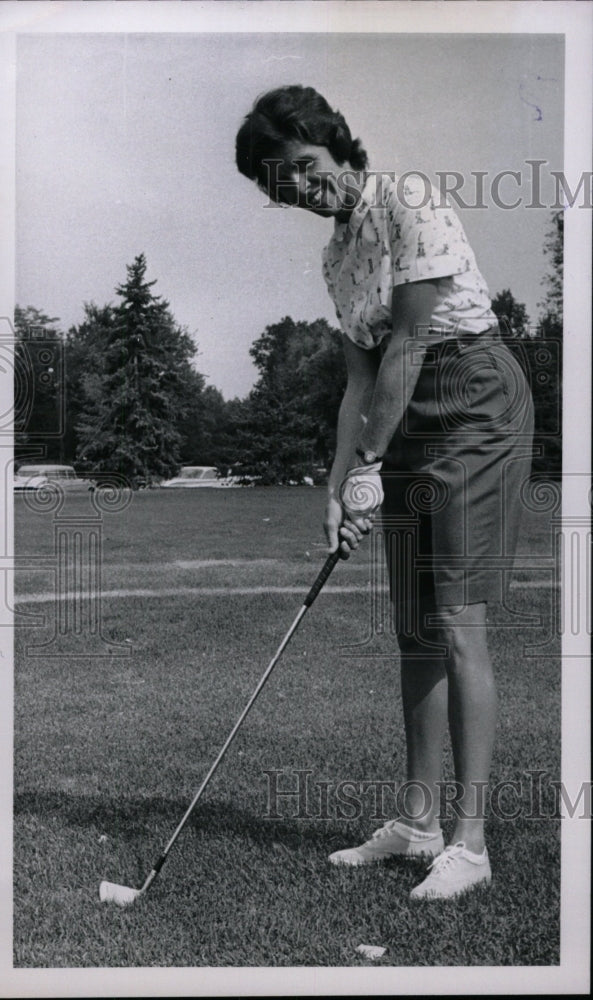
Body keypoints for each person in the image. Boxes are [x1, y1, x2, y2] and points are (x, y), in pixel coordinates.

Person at [235, 85, 534, 900]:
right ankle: (417, 822)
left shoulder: (407, 199)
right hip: (401, 415)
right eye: (279, 183)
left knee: (457, 618)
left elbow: (408, 341)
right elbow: (356, 380)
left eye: (302, 165)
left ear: (332, 145)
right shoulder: (335, 257)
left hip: (471, 396)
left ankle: (468, 845)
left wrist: (370, 461)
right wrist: (337, 488)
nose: (298, 187)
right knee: (414, 630)